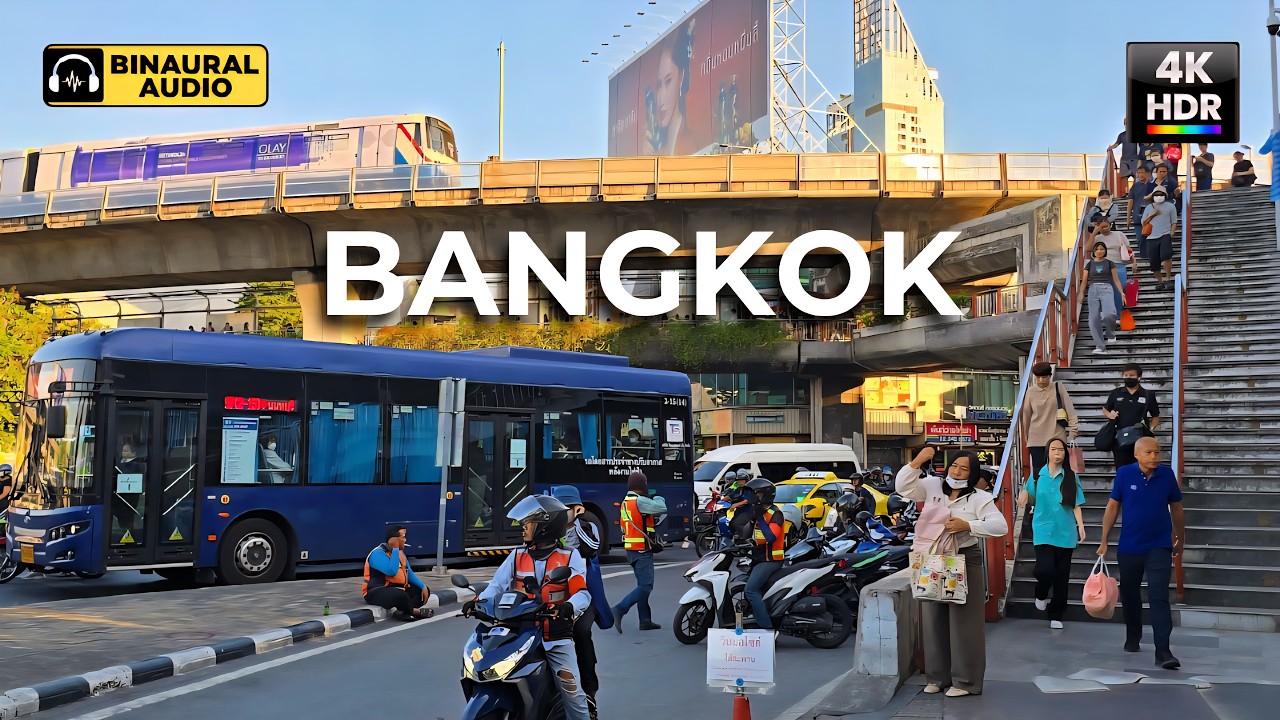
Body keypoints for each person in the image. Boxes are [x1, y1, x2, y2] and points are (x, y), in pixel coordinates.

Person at [465, 495, 591, 720]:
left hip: (554, 637)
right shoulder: (516, 556)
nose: (523, 528)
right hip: (520, 632)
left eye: (528, 523)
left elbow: (581, 593)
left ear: (545, 526)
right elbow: (495, 586)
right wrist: (477, 603)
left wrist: (569, 607)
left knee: (571, 691)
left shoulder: (570, 557)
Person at [896, 447, 1008, 697]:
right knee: (932, 618)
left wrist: (968, 525)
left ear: (972, 474)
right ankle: (937, 678)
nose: (957, 471)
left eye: (964, 468)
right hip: (932, 559)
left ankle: (965, 682)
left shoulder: (979, 498)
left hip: (964, 559)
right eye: (954, 466)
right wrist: (917, 461)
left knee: (964, 622)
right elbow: (903, 488)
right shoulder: (933, 486)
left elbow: (999, 526)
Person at [1097, 437, 1185, 670]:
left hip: (1159, 546)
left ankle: (1163, 651)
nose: (1155, 457)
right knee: (1130, 593)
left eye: (1158, 452)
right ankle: (1133, 635)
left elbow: (1176, 507)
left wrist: (1180, 538)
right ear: (1137, 455)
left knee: (1158, 595)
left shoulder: (1166, 475)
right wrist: (1104, 539)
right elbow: (1113, 507)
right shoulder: (1125, 474)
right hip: (1130, 547)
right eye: (1150, 453)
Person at [550, 485, 607, 720]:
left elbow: (592, 547)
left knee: (581, 632)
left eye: (566, 509)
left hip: (582, 594)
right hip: (551, 595)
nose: (561, 514)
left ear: (576, 508)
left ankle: (589, 693)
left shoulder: (587, 527)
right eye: (557, 510)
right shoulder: (547, 529)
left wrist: (576, 522)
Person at [1017, 438, 1086, 630]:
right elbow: (1030, 497)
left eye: (1061, 450)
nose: (1058, 453)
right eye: (1054, 449)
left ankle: (1056, 614)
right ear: (1047, 452)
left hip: (1066, 531)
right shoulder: (1038, 476)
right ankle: (1041, 593)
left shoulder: (1071, 476)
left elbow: (1076, 503)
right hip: (1043, 528)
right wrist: (1024, 495)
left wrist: (1081, 526)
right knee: (1044, 569)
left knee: (1062, 576)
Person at [611, 471, 666, 632]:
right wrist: (658, 497)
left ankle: (645, 620)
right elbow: (662, 508)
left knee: (641, 585)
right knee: (646, 587)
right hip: (642, 550)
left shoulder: (625, 502)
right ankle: (619, 609)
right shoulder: (640, 501)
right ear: (642, 486)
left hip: (632, 551)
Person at [1018, 362, 1080, 480]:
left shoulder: (1058, 387)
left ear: (1050, 376)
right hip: (1036, 438)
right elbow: (1026, 416)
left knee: (1060, 471)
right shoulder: (1030, 391)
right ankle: (1041, 497)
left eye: (1044, 377)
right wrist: (1026, 437)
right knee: (1039, 473)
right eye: (1038, 377)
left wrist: (1073, 432)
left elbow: (1070, 410)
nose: (1041, 380)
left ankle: (1060, 497)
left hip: (1057, 436)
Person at [740, 478, 786, 632]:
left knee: (751, 590)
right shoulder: (760, 512)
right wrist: (752, 521)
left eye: (757, 494)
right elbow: (746, 534)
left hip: (771, 560)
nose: (754, 497)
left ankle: (767, 629)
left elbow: (771, 537)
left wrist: (759, 517)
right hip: (758, 558)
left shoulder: (775, 514)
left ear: (765, 495)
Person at [362, 525, 432, 621]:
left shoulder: (400, 553)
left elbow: (409, 573)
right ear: (394, 540)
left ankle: (403, 611)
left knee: (421, 592)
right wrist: (395, 549)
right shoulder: (377, 554)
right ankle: (413, 611)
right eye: (403, 538)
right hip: (375, 591)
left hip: (396, 589)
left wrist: (423, 586)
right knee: (400, 595)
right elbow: (391, 571)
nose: (405, 540)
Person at [649, 20, 696, 155]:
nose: (661, 98)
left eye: (668, 81)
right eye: (659, 86)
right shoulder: (659, 149)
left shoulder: (689, 144)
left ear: (681, 79)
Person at [1104, 363, 1161, 471]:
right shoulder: (1116, 393)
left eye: (1131, 375)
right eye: (1126, 375)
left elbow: (1156, 416)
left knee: (1142, 469)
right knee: (1122, 470)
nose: (1128, 378)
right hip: (1120, 438)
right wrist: (1109, 415)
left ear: (1139, 377)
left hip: (1141, 438)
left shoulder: (1148, 395)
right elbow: (1105, 409)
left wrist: (1151, 429)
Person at [1081, 240, 1127, 354]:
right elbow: (1084, 280)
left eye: (1102, 249)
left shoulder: (1110, 263)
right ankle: (1100, 347)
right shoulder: (1090, 264)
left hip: (1107, 288)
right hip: (1093, 289)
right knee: (1093, 319)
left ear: (1105, 251)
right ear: (1094, 251)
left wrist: (1122, 293)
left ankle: (1110, 333)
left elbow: (1116, 280)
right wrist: (1081, 293)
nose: (1099, 251)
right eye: (1097, 249)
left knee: (1109, 313)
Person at [1088, 215, 1137, 321]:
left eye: (1106, 226)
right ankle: (1108, 313)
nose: (1104, 229)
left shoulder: (1119, 234)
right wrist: (1095, 232)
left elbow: (1128, 249)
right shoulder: (1097, 237)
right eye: (1102, 227)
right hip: (1103, 265)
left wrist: (1134, 262)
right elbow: (1088, 248)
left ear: (1110, 225)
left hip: (1118, 264)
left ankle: (1118, 314)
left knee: (1120, 288)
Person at [1140, 187, 1177, 291]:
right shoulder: (1148, 207)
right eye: (1156, 194)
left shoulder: (1170, 206)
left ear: (1165, 195)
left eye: (1161, 194)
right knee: (1153, 261)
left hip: (1165, 234)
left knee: (1166, 256)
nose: (1159, 196)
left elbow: (1174, 221)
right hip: (1151, 236)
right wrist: (1152, 214)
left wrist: (1171, 233)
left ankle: (1168, 279)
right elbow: (1143, 222)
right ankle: (1160, 281)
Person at [1126, 165, 1155, 258]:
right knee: (1140, 239)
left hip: (1151, 216)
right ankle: (1144, 257)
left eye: (1142, 172)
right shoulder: (1135, 186)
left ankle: (1151, 256)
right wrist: (1128, 218)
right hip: (1138, 216)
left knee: (1151, 237)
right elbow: (1130, 202)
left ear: (1148, 173)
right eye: (1138, 173)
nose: (1140, 174)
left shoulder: (1153, 185)